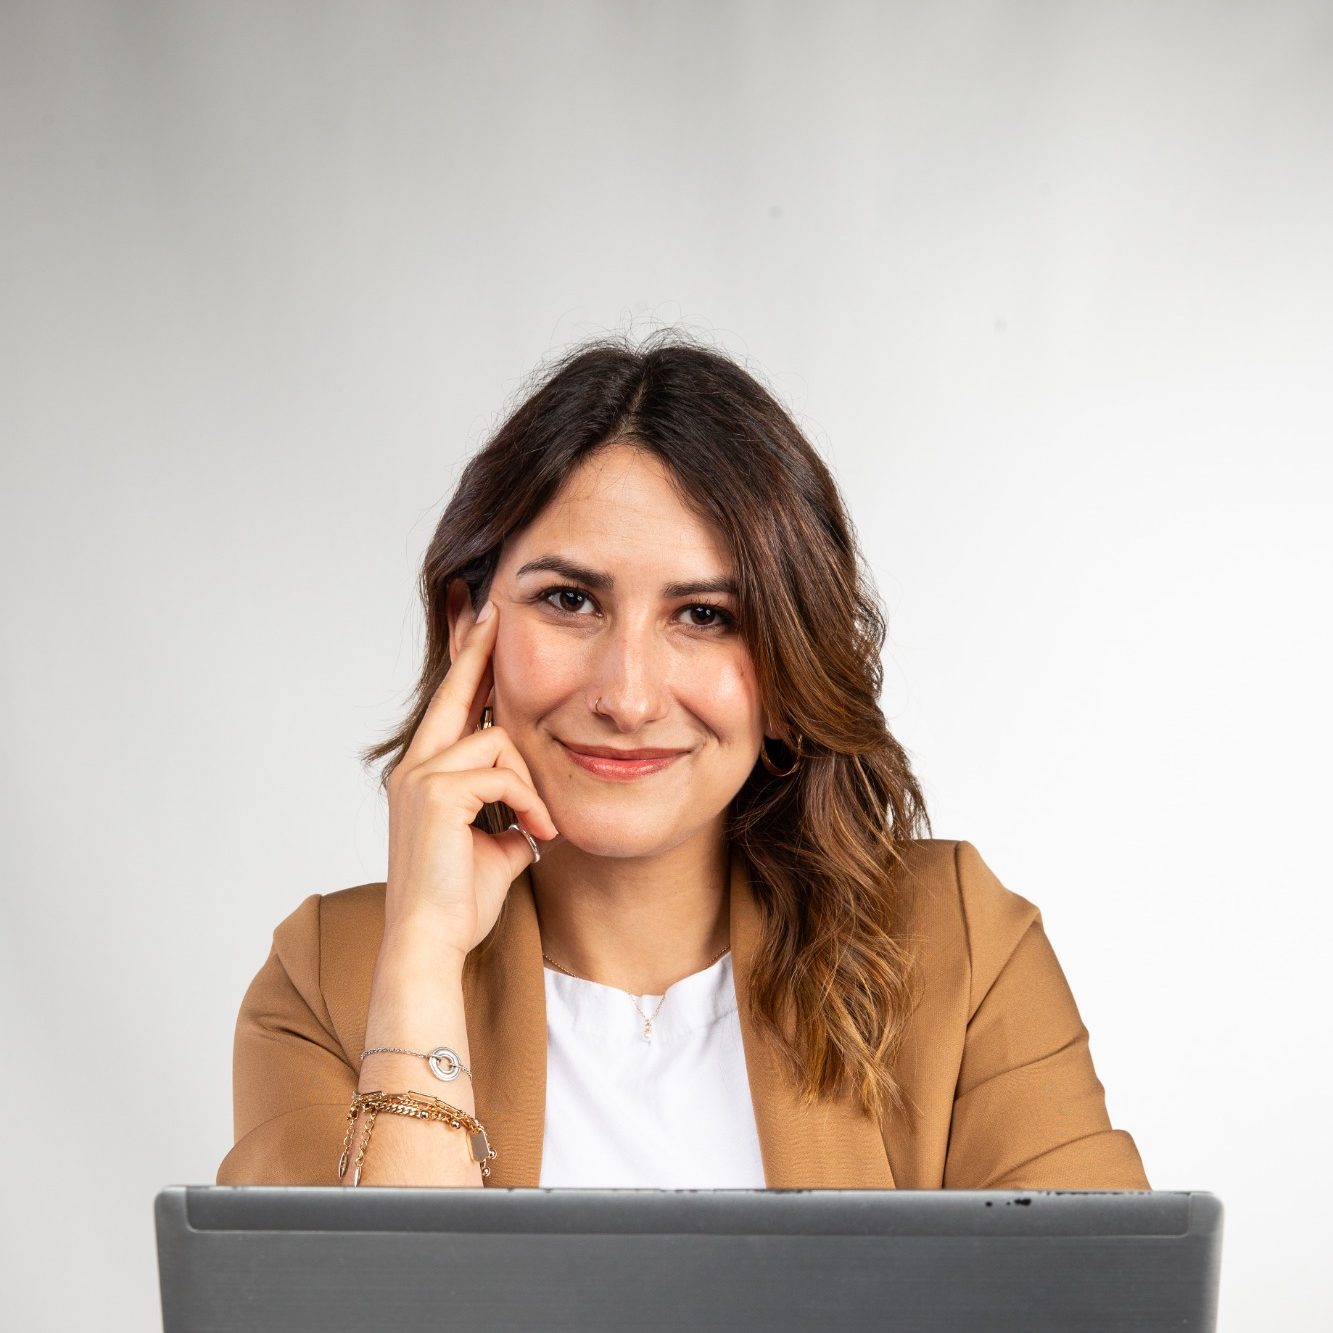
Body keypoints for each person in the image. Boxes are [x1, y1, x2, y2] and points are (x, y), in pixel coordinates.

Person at [216, 333, 1149, 1191]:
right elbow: (377, 1298)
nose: (627, 697)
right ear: (470, 627)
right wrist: (419, 958)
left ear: (787, 663)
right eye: (570, 599)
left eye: (704, 615)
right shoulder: (333, 976)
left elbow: (1100, 1294)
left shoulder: (958, 947)